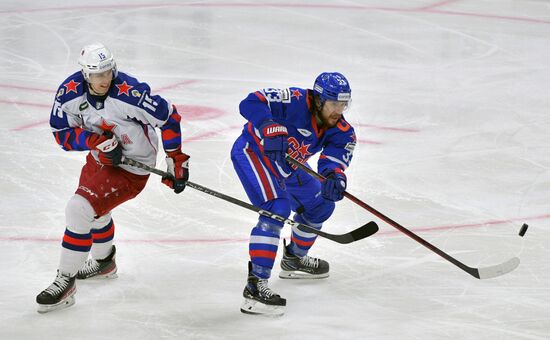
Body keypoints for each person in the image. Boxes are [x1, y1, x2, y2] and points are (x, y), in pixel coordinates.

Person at [36, 43, 190, 313]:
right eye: (97, 75)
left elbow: (169, 117)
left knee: (79, 209)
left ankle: (65, 281)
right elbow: (61, 134)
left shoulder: (130, 93)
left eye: (108, 72)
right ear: (85, 74)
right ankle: (104, 262)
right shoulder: (69, 93)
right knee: (93, 211)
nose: (104, 79)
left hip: (133, 166)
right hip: (99, 159)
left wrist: (175, 159)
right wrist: (94, 141)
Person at [231, 72, 356, 316]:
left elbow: (335, 159)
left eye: (343, 104)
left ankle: (294, 258)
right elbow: (250, 102)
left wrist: (334, 177)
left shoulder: (341, 130)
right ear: (318, 100)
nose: (339, 111)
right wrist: (269, 126)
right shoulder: (295, 99)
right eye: (334, 104)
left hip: (290, 165)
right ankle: (255, 286)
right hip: (253, 153)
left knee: (322, 204)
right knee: (277, 208)